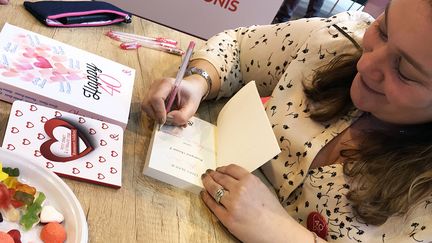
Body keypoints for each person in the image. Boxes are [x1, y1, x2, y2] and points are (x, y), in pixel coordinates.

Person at [142, 0, 432, 241]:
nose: (366, 64)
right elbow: (238, 47)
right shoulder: (337, 40)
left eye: (405, 72)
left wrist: (279, 231)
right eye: (382, 30)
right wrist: (200, 81)